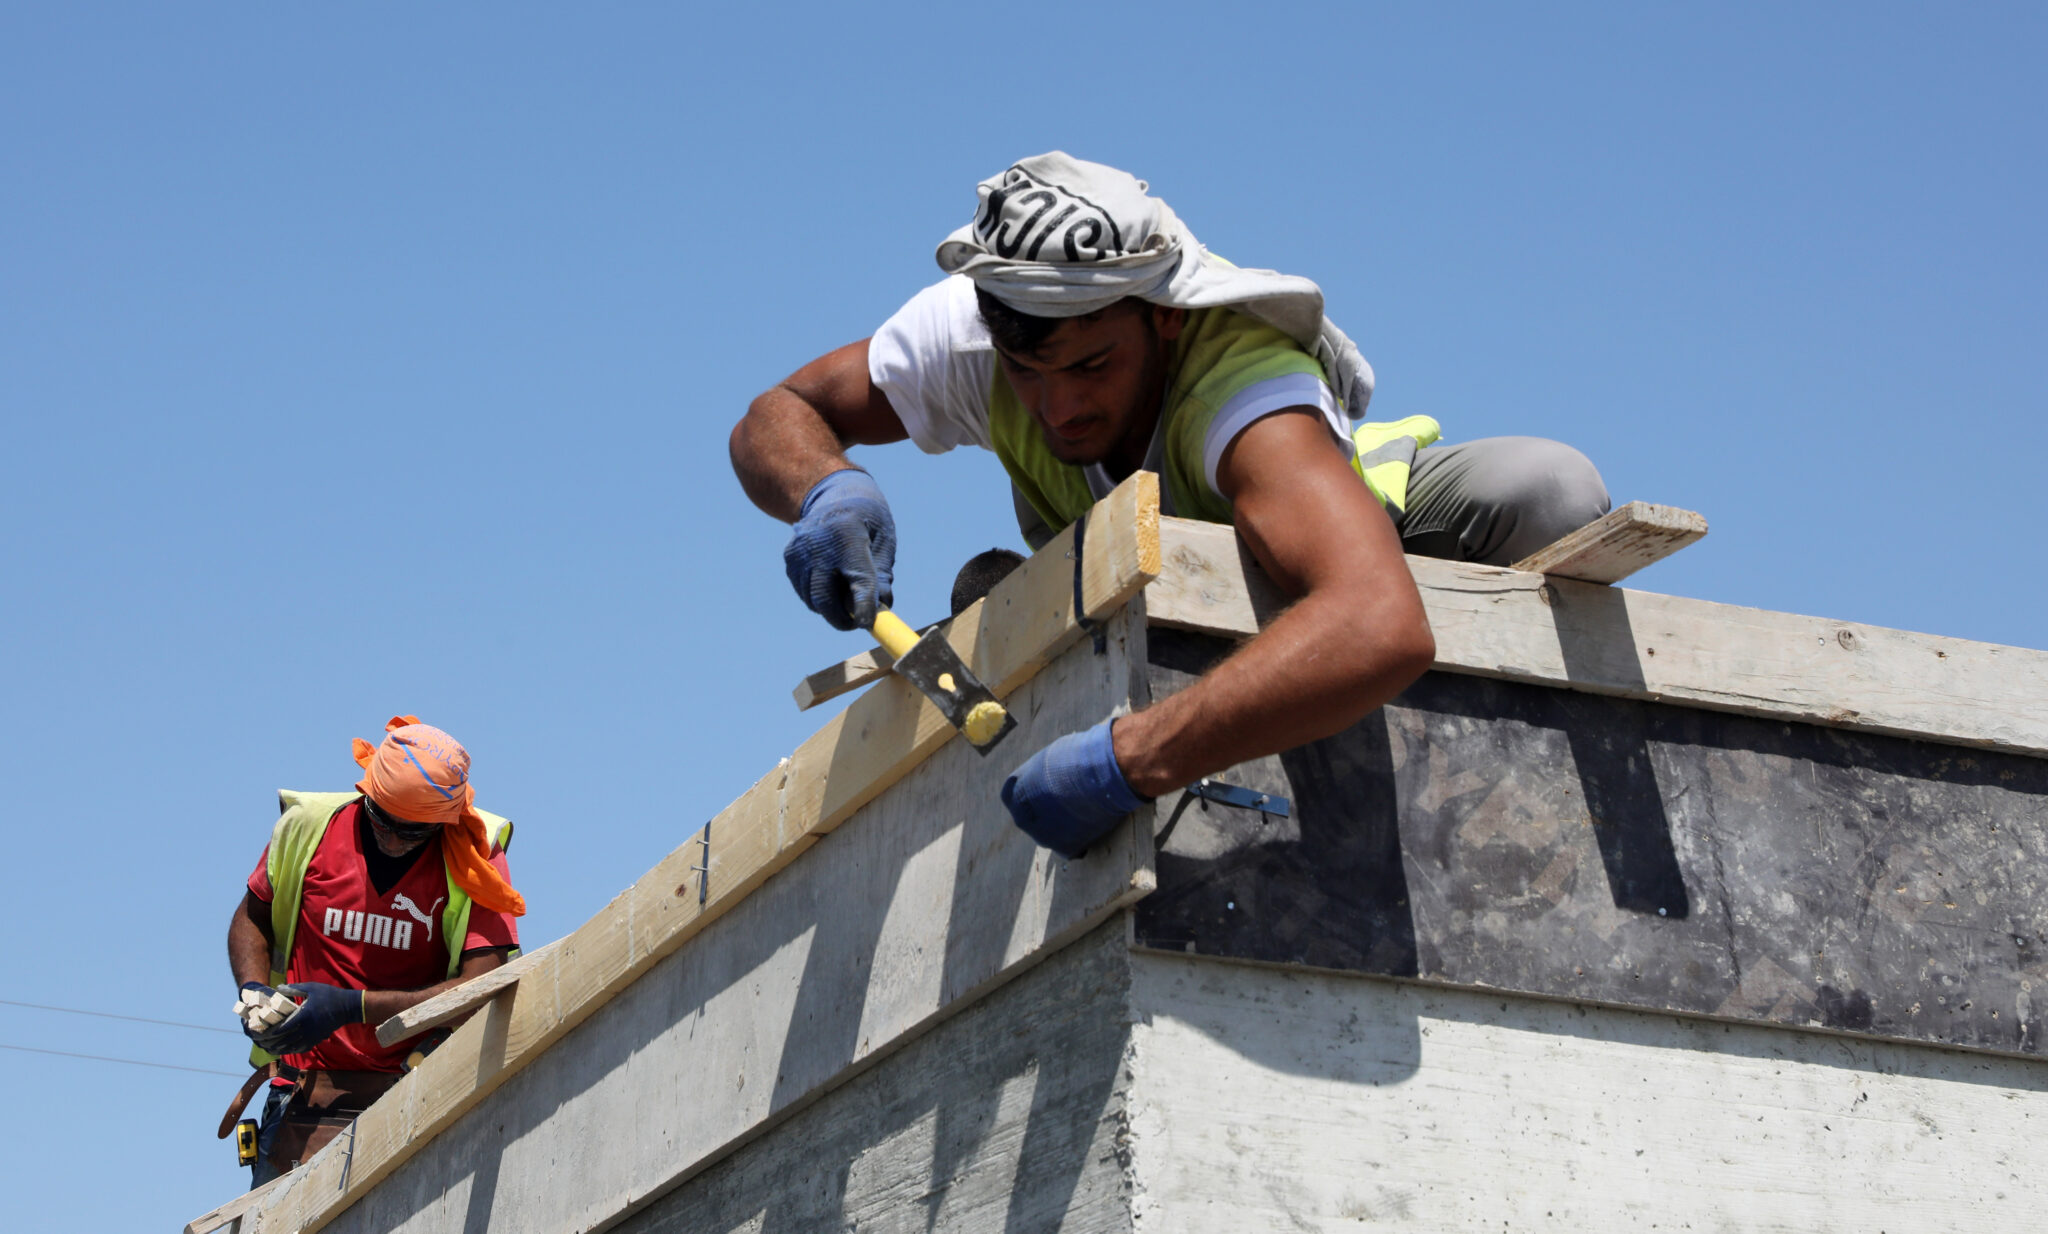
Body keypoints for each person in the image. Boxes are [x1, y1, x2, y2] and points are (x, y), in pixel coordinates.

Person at [731, 152, 1609, 860]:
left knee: (1546, 492)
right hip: (1131, 592)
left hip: (1346, 534)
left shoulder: (1244, 387)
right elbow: (777, 415)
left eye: (1090, 369)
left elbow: (1380, 625)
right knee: (1006, 594)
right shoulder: (979, 334)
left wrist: (1131, 760)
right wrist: (828, 489)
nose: (1058, 405)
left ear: (1165, 319)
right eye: (1028, 374)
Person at [224, 716, 525, 1187]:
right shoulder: (310, 828)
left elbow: (480, 985)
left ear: (444, 822)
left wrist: (351, 1007)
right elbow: (252, 915)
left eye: (412, 834)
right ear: (365, 792)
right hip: (302, 1096)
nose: (391, 839)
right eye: (381, 820)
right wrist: (253, 990)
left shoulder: (475, 853)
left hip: (415, 1088)